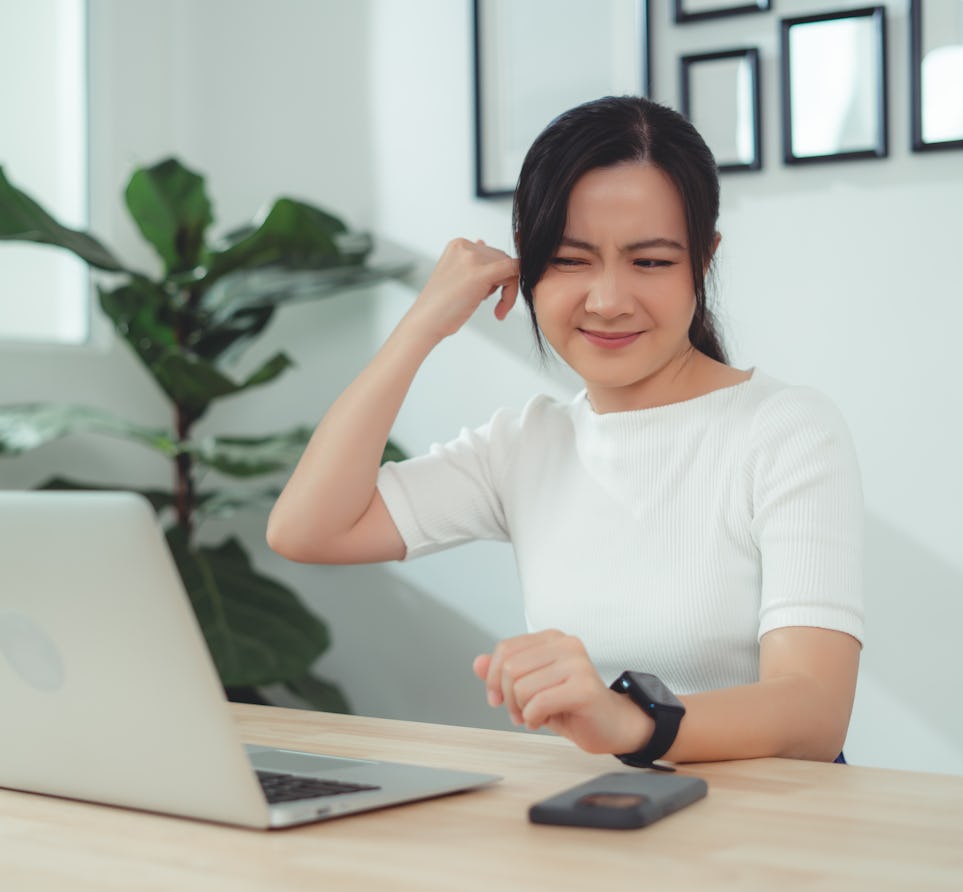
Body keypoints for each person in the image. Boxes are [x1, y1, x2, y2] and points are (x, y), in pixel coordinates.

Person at [266, 96, 862, 766]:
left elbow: (816, 711)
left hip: (768, 840)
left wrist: (632, 721)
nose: (607, 300)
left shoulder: (784, 429)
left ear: (704, 259)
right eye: (572, 259)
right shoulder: (526, 444)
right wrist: (422, 325)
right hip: (601, 823)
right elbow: (307, 530)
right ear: (529, 263)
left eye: (652, 262)